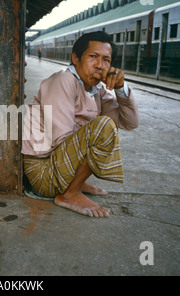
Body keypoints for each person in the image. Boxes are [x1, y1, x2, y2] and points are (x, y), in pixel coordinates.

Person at [22, 31, 140, 218]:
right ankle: (69, 193)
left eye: (106, 60)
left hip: (59, 168)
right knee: (103, 127)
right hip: (42, 175)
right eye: (93, 57)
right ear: (75, 58)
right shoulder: (63, 80)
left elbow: (130, 122)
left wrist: (121, 88)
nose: (100, 66)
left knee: (105, 126)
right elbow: (62, 140)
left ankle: (75, 183)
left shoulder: (96, 90)